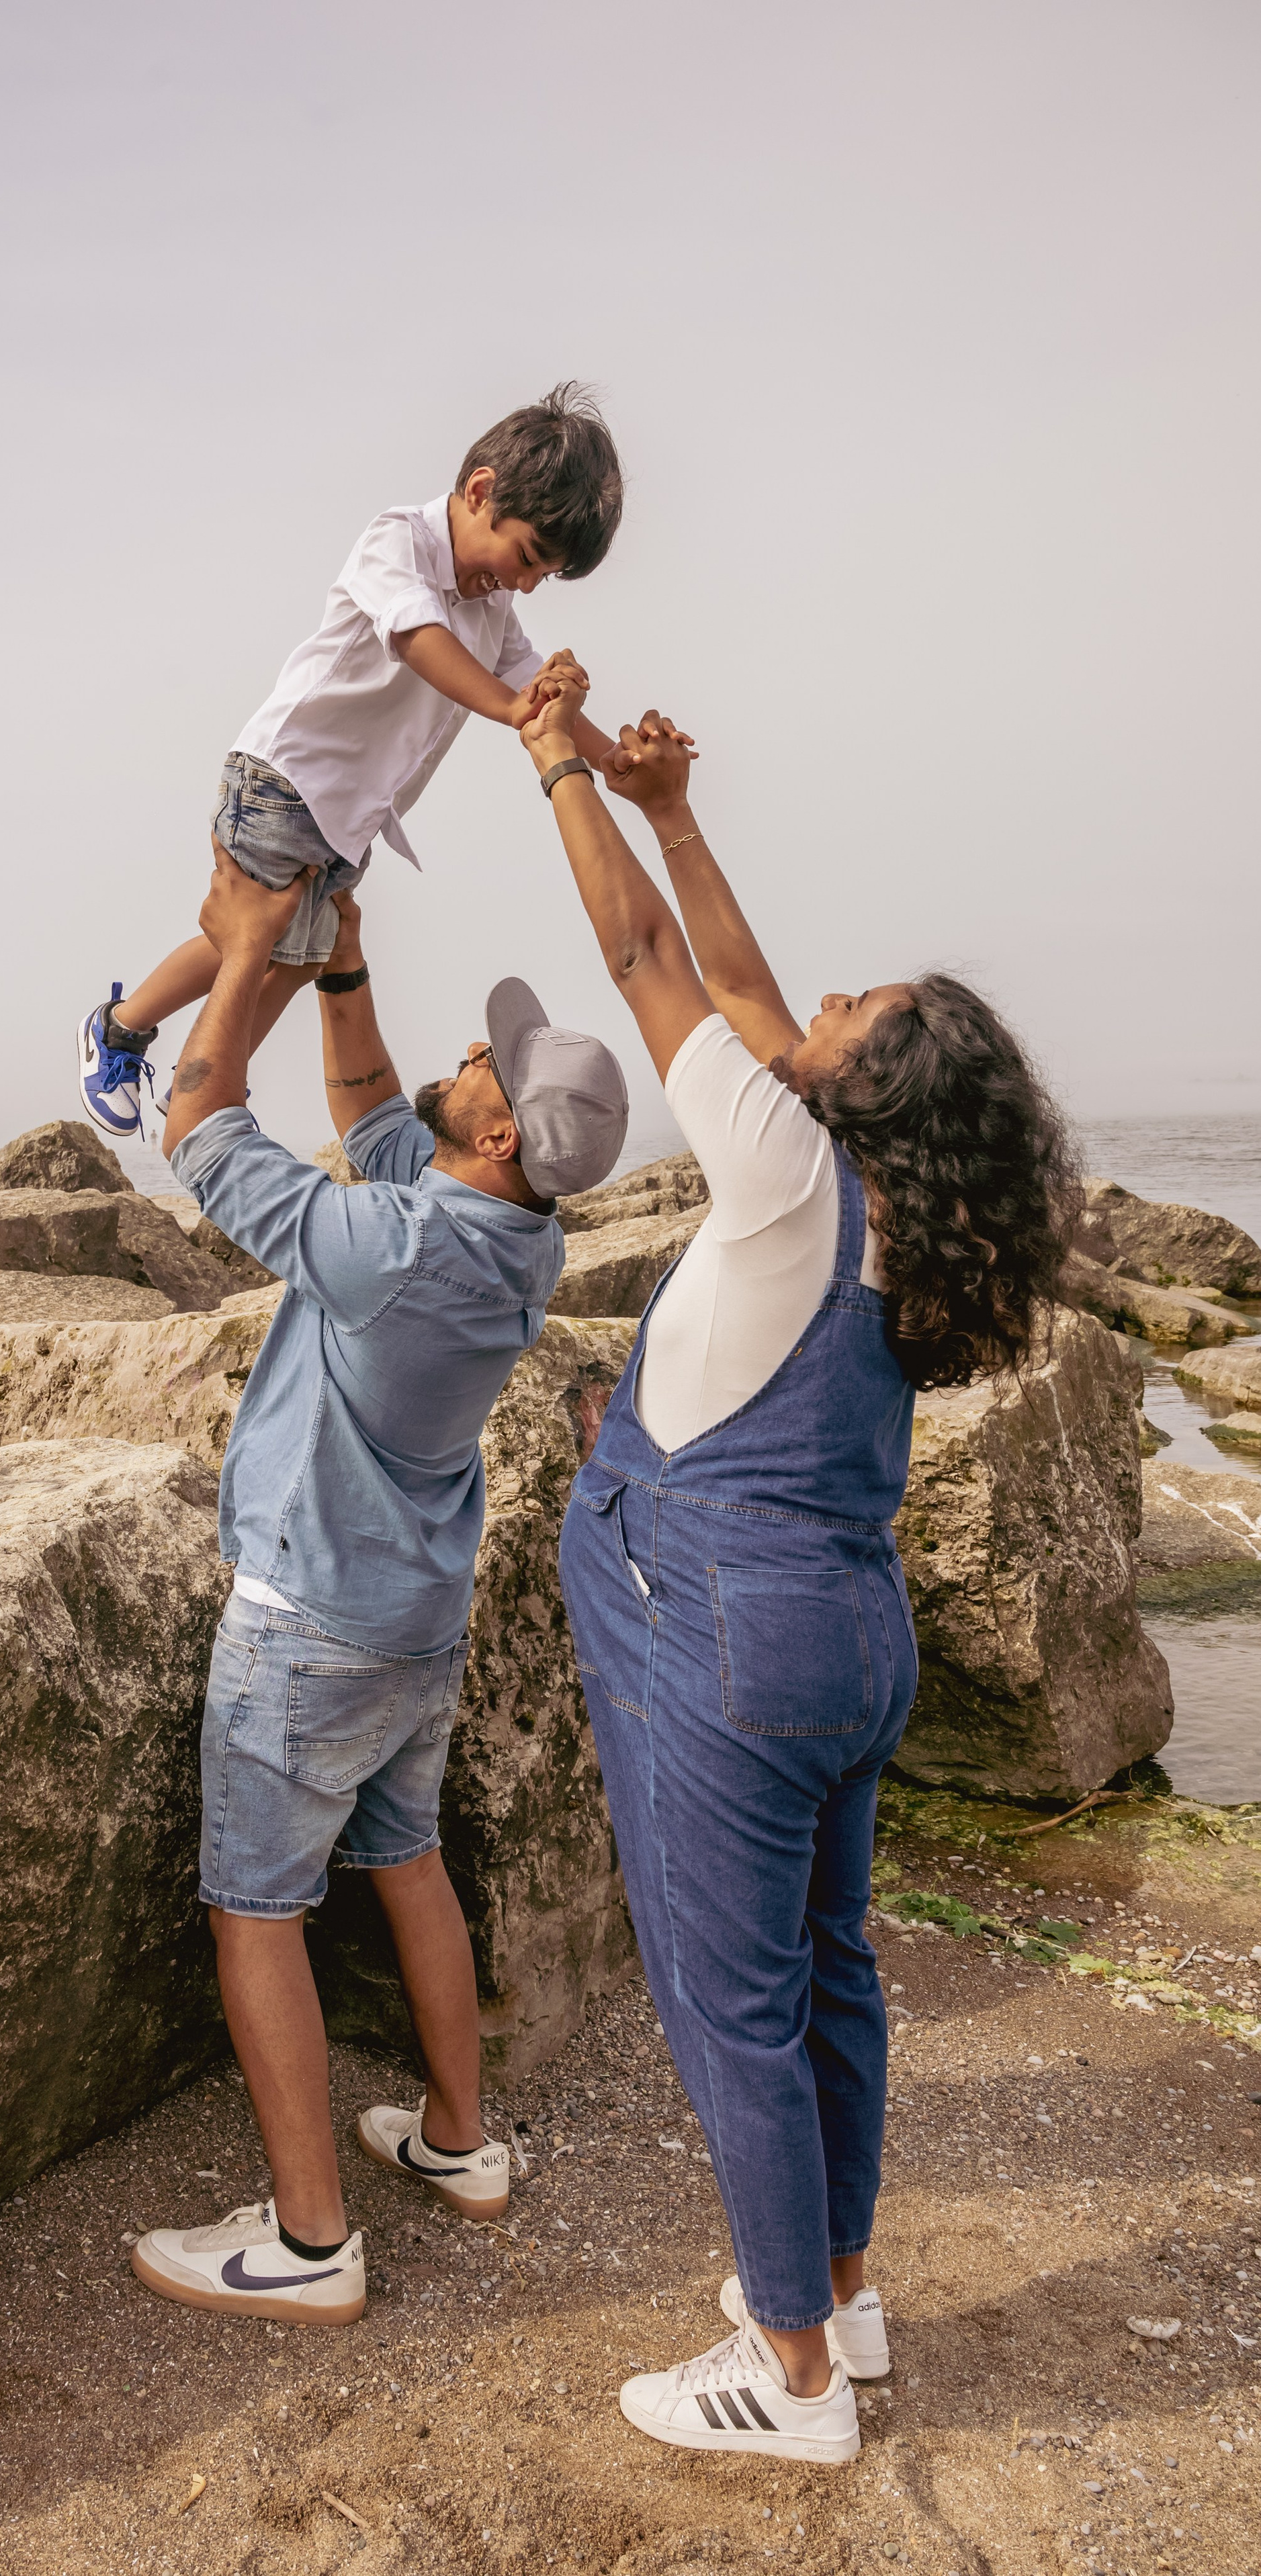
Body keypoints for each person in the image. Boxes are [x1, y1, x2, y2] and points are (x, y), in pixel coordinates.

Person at [519, 678, 1074, 2462]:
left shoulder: (781, 1169)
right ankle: (837, 2289)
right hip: (851, 1631)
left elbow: (645, 961)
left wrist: (562, 771)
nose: (821, 1001)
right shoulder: (895, 1210)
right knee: (828, 1967)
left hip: (728, 1627)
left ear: (875, 1081)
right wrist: (678, 807)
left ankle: (794, 2378)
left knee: (731, 2005)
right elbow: (754, 1004)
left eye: (863, 1008)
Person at [128, 845, 629, 2327]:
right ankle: (459, 2143)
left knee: (255, 1908)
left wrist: (251, 944)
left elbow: (202, 1113)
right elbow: (366, 1111)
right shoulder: (516, 1237)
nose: (474, 1049)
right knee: (404, 1856)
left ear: (492, 1129)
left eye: (492, 1060)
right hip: (416, 1617)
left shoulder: (389, 1248)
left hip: (309, 1625)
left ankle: (306, 2242)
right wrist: (343, 967)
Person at [75, 384, 625, 1139]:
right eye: (527, 556)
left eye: (543, 577)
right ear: (479, 492)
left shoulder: (493, 610)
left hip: (349, 818)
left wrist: (618, 759)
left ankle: (194, 1075)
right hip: (285, 779)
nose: (526, 583)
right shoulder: (396, 542)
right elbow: (415, 638)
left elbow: (535, 690)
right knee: (252, 940)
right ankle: (125, 1033)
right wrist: (506, 707)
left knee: (300, 956)